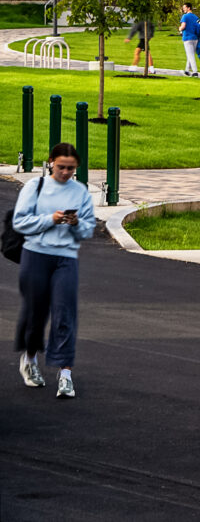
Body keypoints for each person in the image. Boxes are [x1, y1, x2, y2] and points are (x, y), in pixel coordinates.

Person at [14, 142, 96, 397]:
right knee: (36, 313)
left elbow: (88, 229)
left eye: (71, 168)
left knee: (65, 314)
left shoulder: (80, 191)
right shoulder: (34, 187)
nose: (65, 172)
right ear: (51, 162)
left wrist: (75, 222)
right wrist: (50, 219)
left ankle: (65, 374)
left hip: (65, 258)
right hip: (36, 255)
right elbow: (20, 222)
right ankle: (29, 360)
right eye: (61, 167)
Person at [179, 0, 200, 77]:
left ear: (188, 8)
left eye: (184, 8)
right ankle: (187, 70)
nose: (183, 9)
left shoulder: (185, 16)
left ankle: (195, 72)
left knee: (191, 56)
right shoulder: (195, 17)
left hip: (187, 38)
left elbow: (183, 26)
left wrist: (180, 29)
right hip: (195, 38)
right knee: (190, 54)